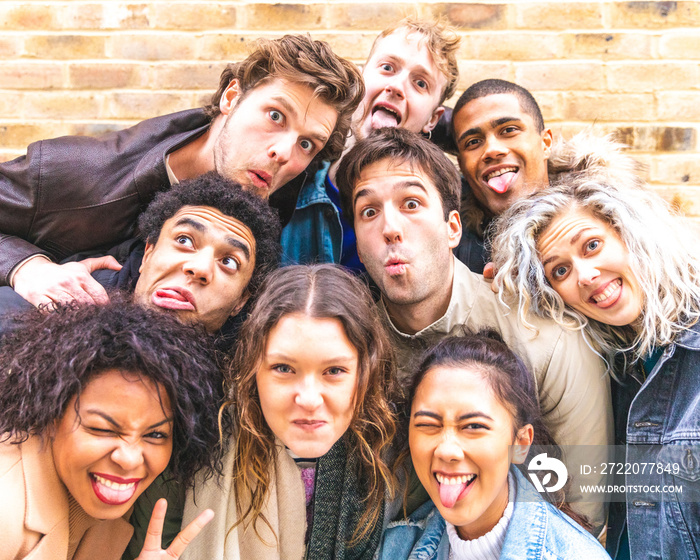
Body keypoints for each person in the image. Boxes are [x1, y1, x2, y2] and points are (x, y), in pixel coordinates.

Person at [335, 127, 612, 531]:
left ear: (452, 229)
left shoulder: (542, 333)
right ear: (358, 243)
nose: (390, 228)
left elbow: (586, 504)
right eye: (369, 212)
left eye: (411, 203)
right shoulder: (349, 351)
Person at [1, 34, 362, 307]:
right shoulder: (74, 171)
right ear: (231, 98)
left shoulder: (280, 202)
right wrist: (27, 268)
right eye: (275, 116)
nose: (284, 153)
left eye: (307, 144)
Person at [491, 178, 700, 560]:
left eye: (592, 246)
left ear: (631, 233)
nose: (584, 276)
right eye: (559, 271)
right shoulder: (617, 365)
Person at [179, 264, 398, 560]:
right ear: (253, 368)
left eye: (334, 371)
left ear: (365, 372)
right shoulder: (195, 451)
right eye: (283, 368)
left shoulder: (401, 460)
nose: (308, 400)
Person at [0, 301, 223, 560]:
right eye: (102, 429)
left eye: (155, 435)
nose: (129, 459)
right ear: (49, 415)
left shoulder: (108, 493)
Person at [379, 332, 611, 559]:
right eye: (428, 424)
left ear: (520, 444)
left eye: (473, 427)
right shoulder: (395, 547)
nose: (446, 450)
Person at [0, 172, 281, 336]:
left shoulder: (251, 380)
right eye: (184, 240)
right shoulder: (34, 318)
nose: (199, 268)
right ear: (147, 254)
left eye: (229, 261)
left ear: (241, 301)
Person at [280, 17, 460, 268]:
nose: (396, 86)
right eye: (387, 68)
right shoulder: (286, 183)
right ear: (359, 80)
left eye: (420, 83)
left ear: (433, 119)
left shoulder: (442, 215)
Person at [450, 78, 643, 275]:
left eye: (508, 130)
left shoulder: (618, 225)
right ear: (462, 165)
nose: (491, 150)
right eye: (473, 142)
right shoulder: (448, 241)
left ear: (545, 143)